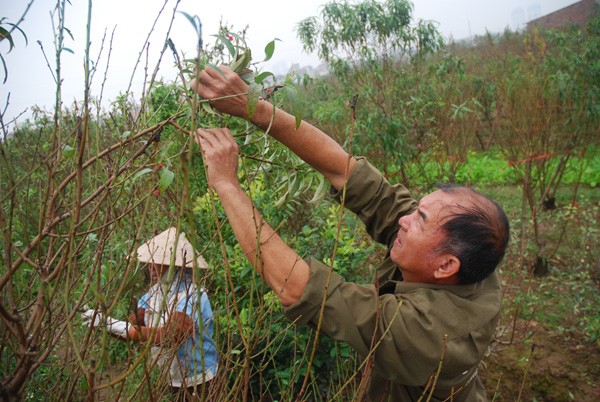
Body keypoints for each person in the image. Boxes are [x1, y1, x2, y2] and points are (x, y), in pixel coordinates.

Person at [190, 65, 509, 401]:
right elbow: (346, 172)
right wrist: (250, 104)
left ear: (446, 266)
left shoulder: (426, 334)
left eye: (420, 219)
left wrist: (225, 183)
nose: (404, 219)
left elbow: (297, 287)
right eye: (416, 209)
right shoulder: (473, 260)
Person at [82, 227, 218, 400]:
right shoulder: (152, 295)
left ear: (174, 265)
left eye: (158, 262)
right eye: (150, 261)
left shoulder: (192, 296)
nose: (151, 267)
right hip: (169, 377)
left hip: (199, 381)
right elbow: (134, 331)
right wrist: (105, 324)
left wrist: (112, 324)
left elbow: (170, 336)